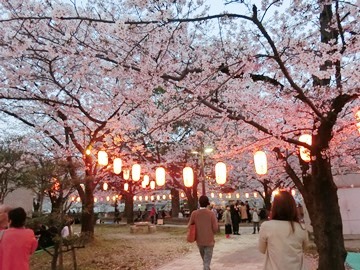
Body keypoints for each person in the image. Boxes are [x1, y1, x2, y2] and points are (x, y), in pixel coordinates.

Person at [259, 191, 309, 270]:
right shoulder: (301, 228)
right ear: (293, 207)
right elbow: (305, 248)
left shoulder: (267, 226)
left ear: (274, 207)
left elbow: (262, 249)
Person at [188, 195, 218, 270]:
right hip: (209, 240)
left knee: (205, 261)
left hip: (199, 240)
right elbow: (215, 228)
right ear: (207, 203)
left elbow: (189, 225)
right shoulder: (211, 214)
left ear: (199, 203)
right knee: (206, 262)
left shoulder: (194, 213)